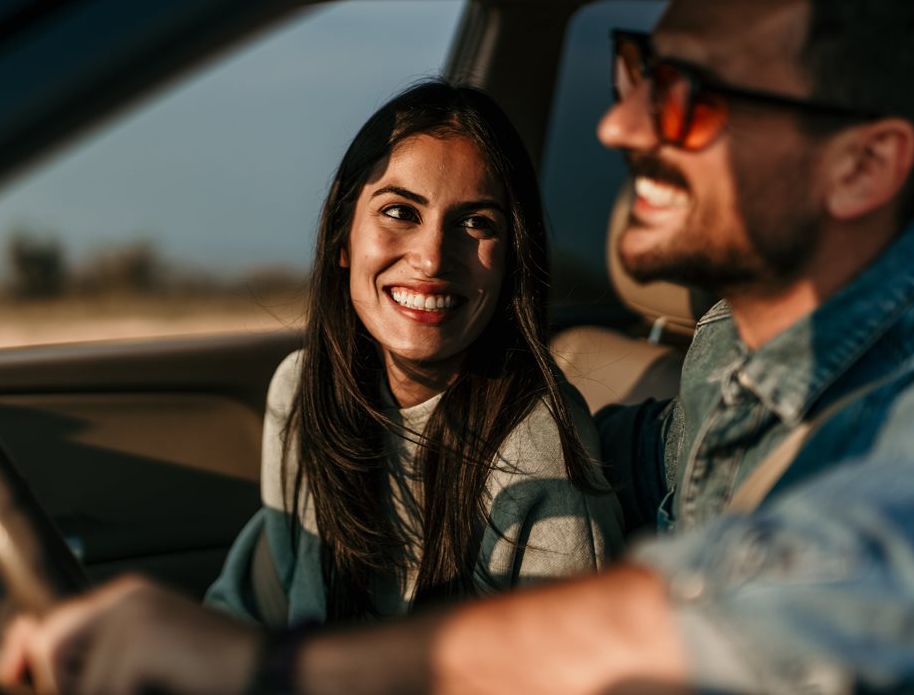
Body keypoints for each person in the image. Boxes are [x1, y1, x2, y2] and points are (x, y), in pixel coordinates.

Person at [0, 0, 914, 694]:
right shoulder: (726, 353)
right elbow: (655, 471)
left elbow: (874, 575)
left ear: (861, 167)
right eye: (635, 74)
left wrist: (280, 671)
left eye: (689, 100)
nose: (619, 128)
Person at [205, 81, 622, 625]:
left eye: (476, 223)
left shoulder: (537, 450)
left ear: (513, 261)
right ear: (342, 237)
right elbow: (249, 612)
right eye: (401, 212)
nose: (431, 259)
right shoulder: (303, 389)